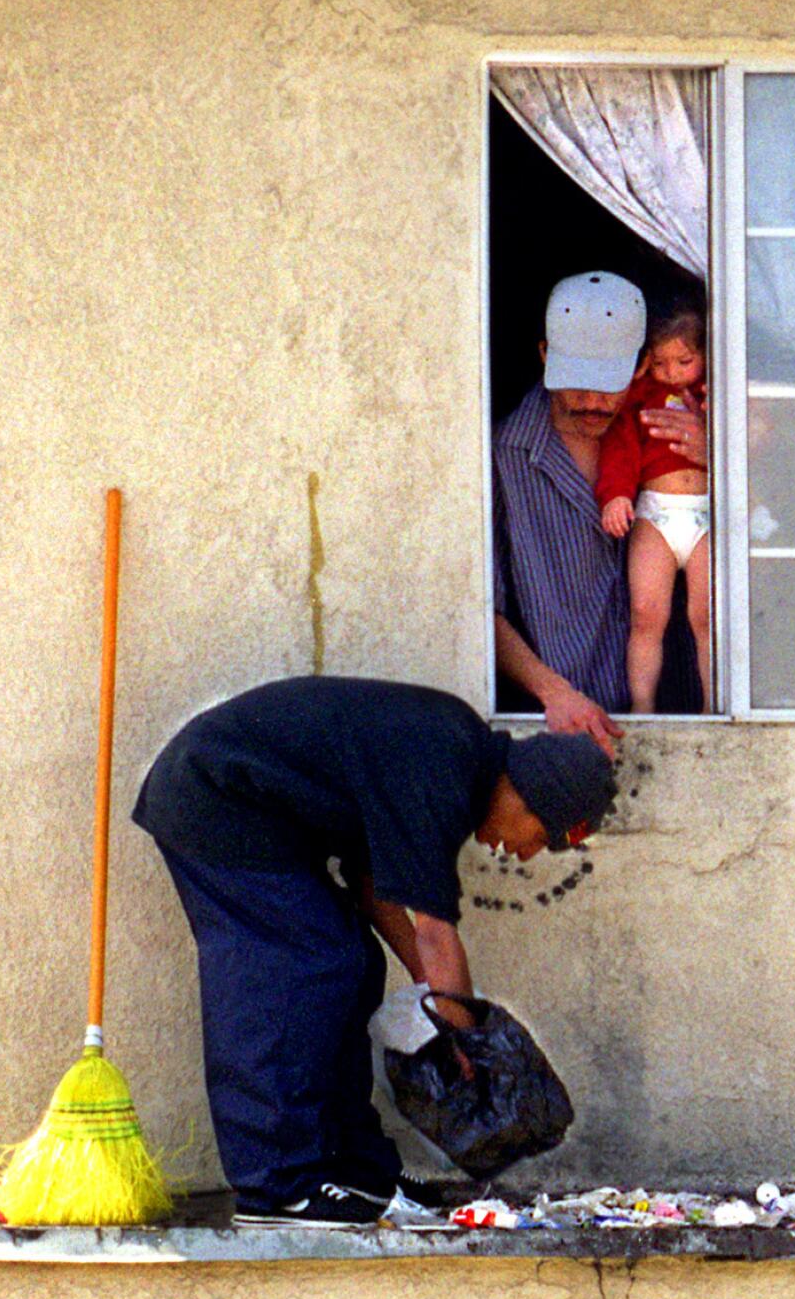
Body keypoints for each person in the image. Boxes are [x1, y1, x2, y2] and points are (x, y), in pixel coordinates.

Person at [133, 675, 615, 1226]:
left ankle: (354, 1170)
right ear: (530, 794)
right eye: (540, 836)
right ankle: (278, 1185)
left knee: (354, 963)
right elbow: (435, 931)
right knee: (300, 964)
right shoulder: (448, 769)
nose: (525, 853)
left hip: (249, 811)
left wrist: (431, 997)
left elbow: (373, 887)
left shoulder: (455, 759)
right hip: (216, 796)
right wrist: (460, 1043)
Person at [492, 271, 705, 745]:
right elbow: (481, 608)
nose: (590, 402)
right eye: (576, 383)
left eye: (607, 384)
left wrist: (722, 459)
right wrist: (556, 694)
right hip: (563, 729)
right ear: (545, 356)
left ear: (642, 365)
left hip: (688, 724)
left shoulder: (681, 424)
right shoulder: (506, 455)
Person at [597, 300, 711, 713]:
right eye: (660, 363)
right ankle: (642, 707)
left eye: (684, 361)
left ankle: (712, 704)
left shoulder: (716, 393)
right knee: (646, 614)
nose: (672, 373)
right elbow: (620, 447)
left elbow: (758, 431)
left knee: (706, 617)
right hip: (655, 513)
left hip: (706, 513)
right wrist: (616, 494)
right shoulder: (640, 397)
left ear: (706, 355)